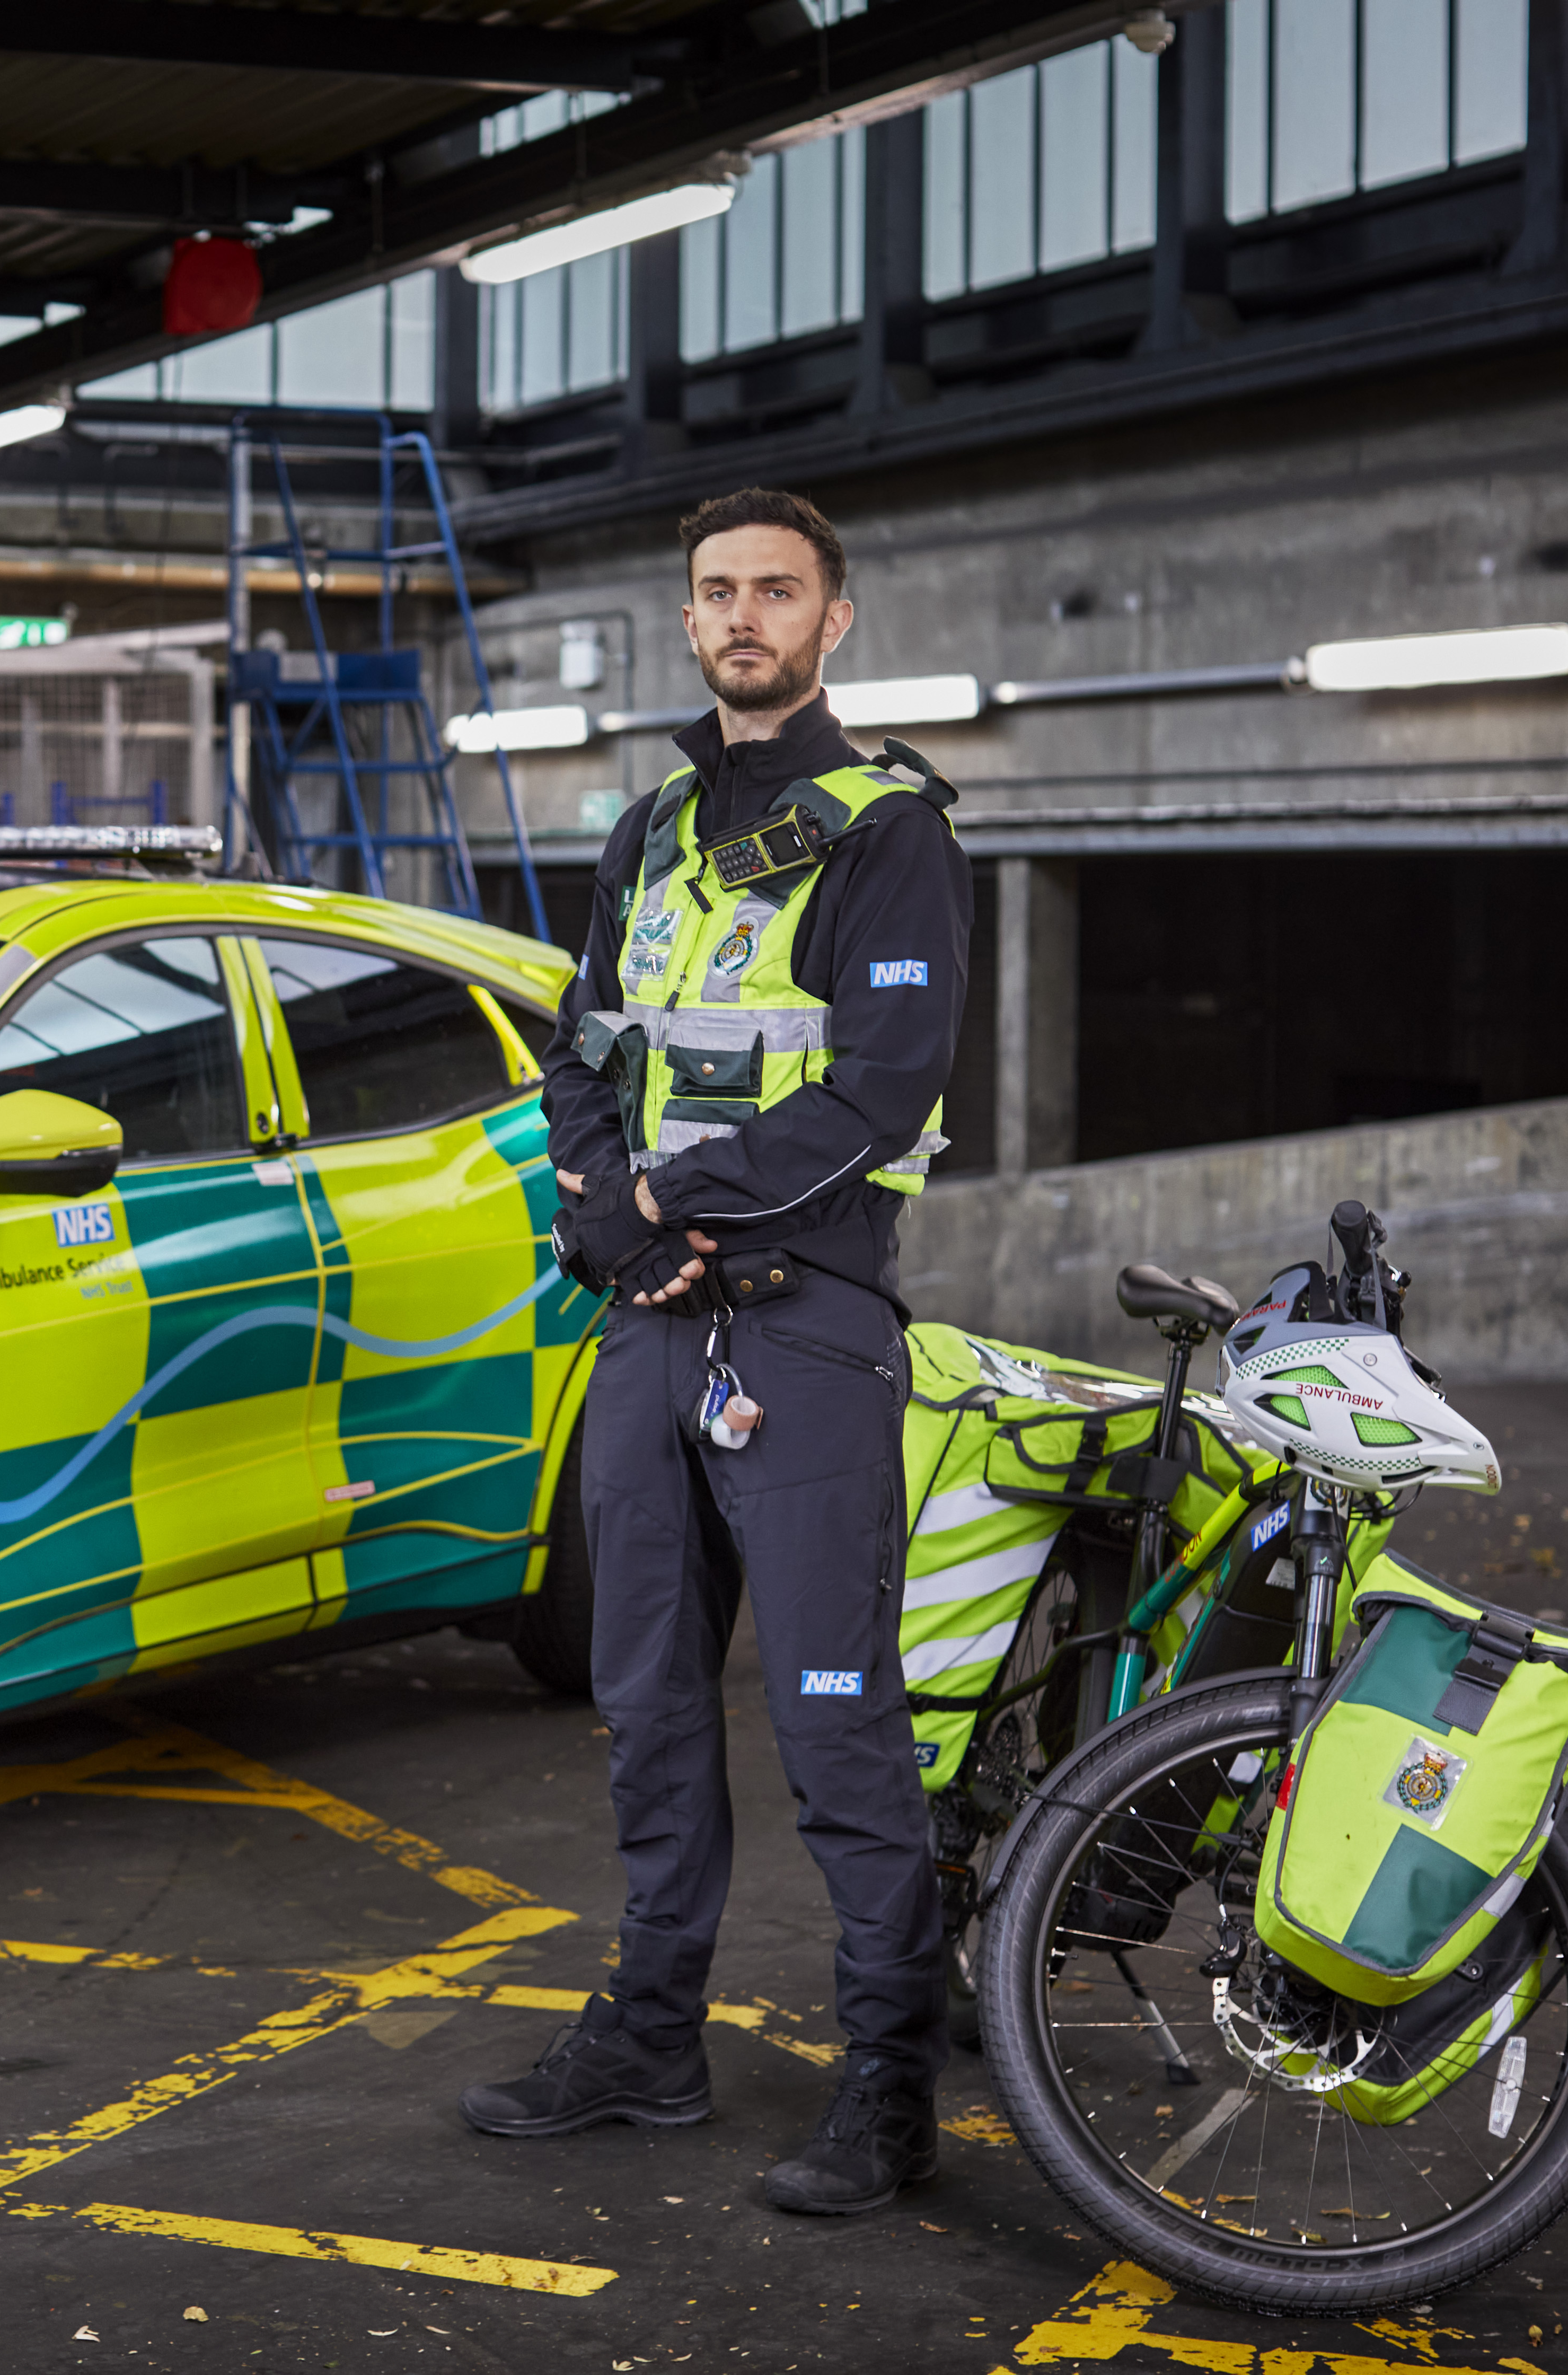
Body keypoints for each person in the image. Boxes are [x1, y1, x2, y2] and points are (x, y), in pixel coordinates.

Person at [456, 488, 974, 2216]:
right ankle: (652, 2040)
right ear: (689, 625)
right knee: (644, 1707)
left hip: (809, 1330)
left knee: (839, 1725)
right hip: (647, 1333)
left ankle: (890, 2092)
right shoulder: (653, 825)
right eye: (715, 592)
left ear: (837, 622)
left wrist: (676, 1211)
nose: (742, 615)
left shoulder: (891, 833)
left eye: (776, 590)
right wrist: (604, 1206)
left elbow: (877, 1089)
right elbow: (580, 1053)